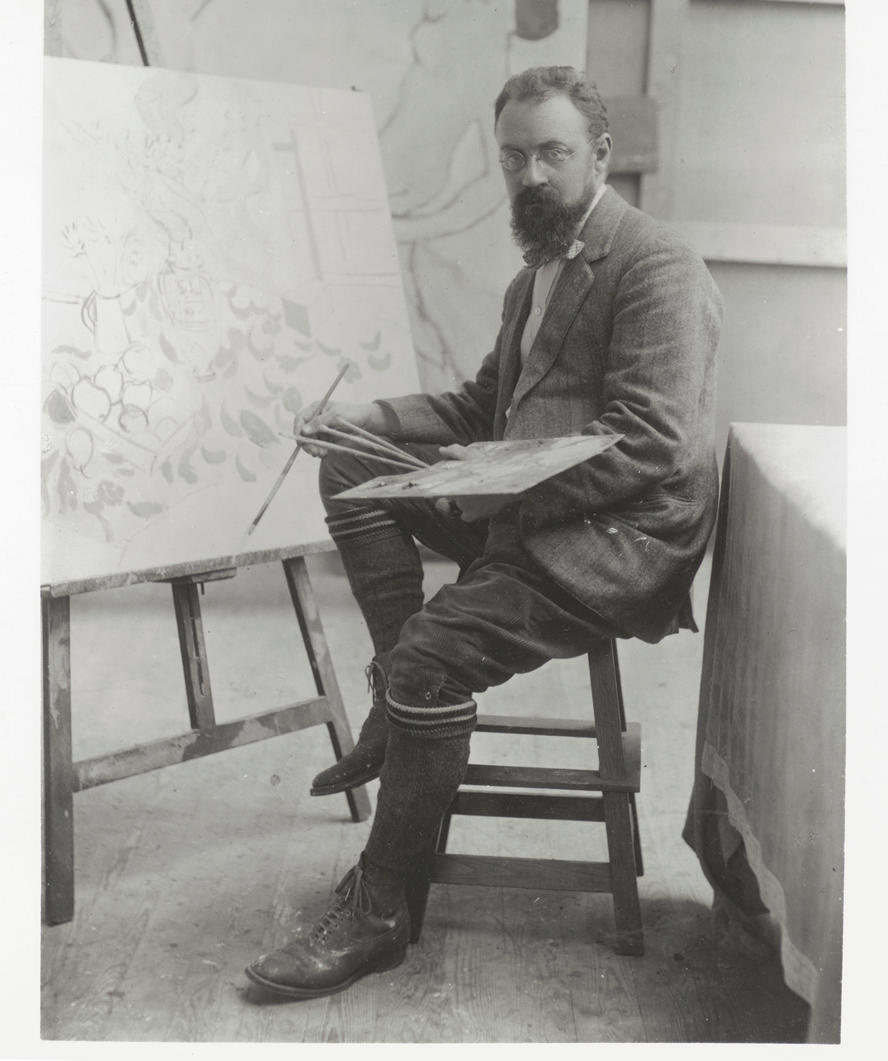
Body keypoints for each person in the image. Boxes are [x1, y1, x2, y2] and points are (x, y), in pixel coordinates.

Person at [245, 65, 723, 999]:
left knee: (434, 654)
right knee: (352, 469)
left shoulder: (656, 263)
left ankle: (381, 906)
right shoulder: (536, 274)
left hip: (617, 540)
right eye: (514, 157)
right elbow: (479, 405)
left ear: (600, 156)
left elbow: (653, 445)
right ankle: (401, 697)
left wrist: (492, 489)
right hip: (531, 513)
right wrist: (367, 418)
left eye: (553, 153)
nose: (532, 176)